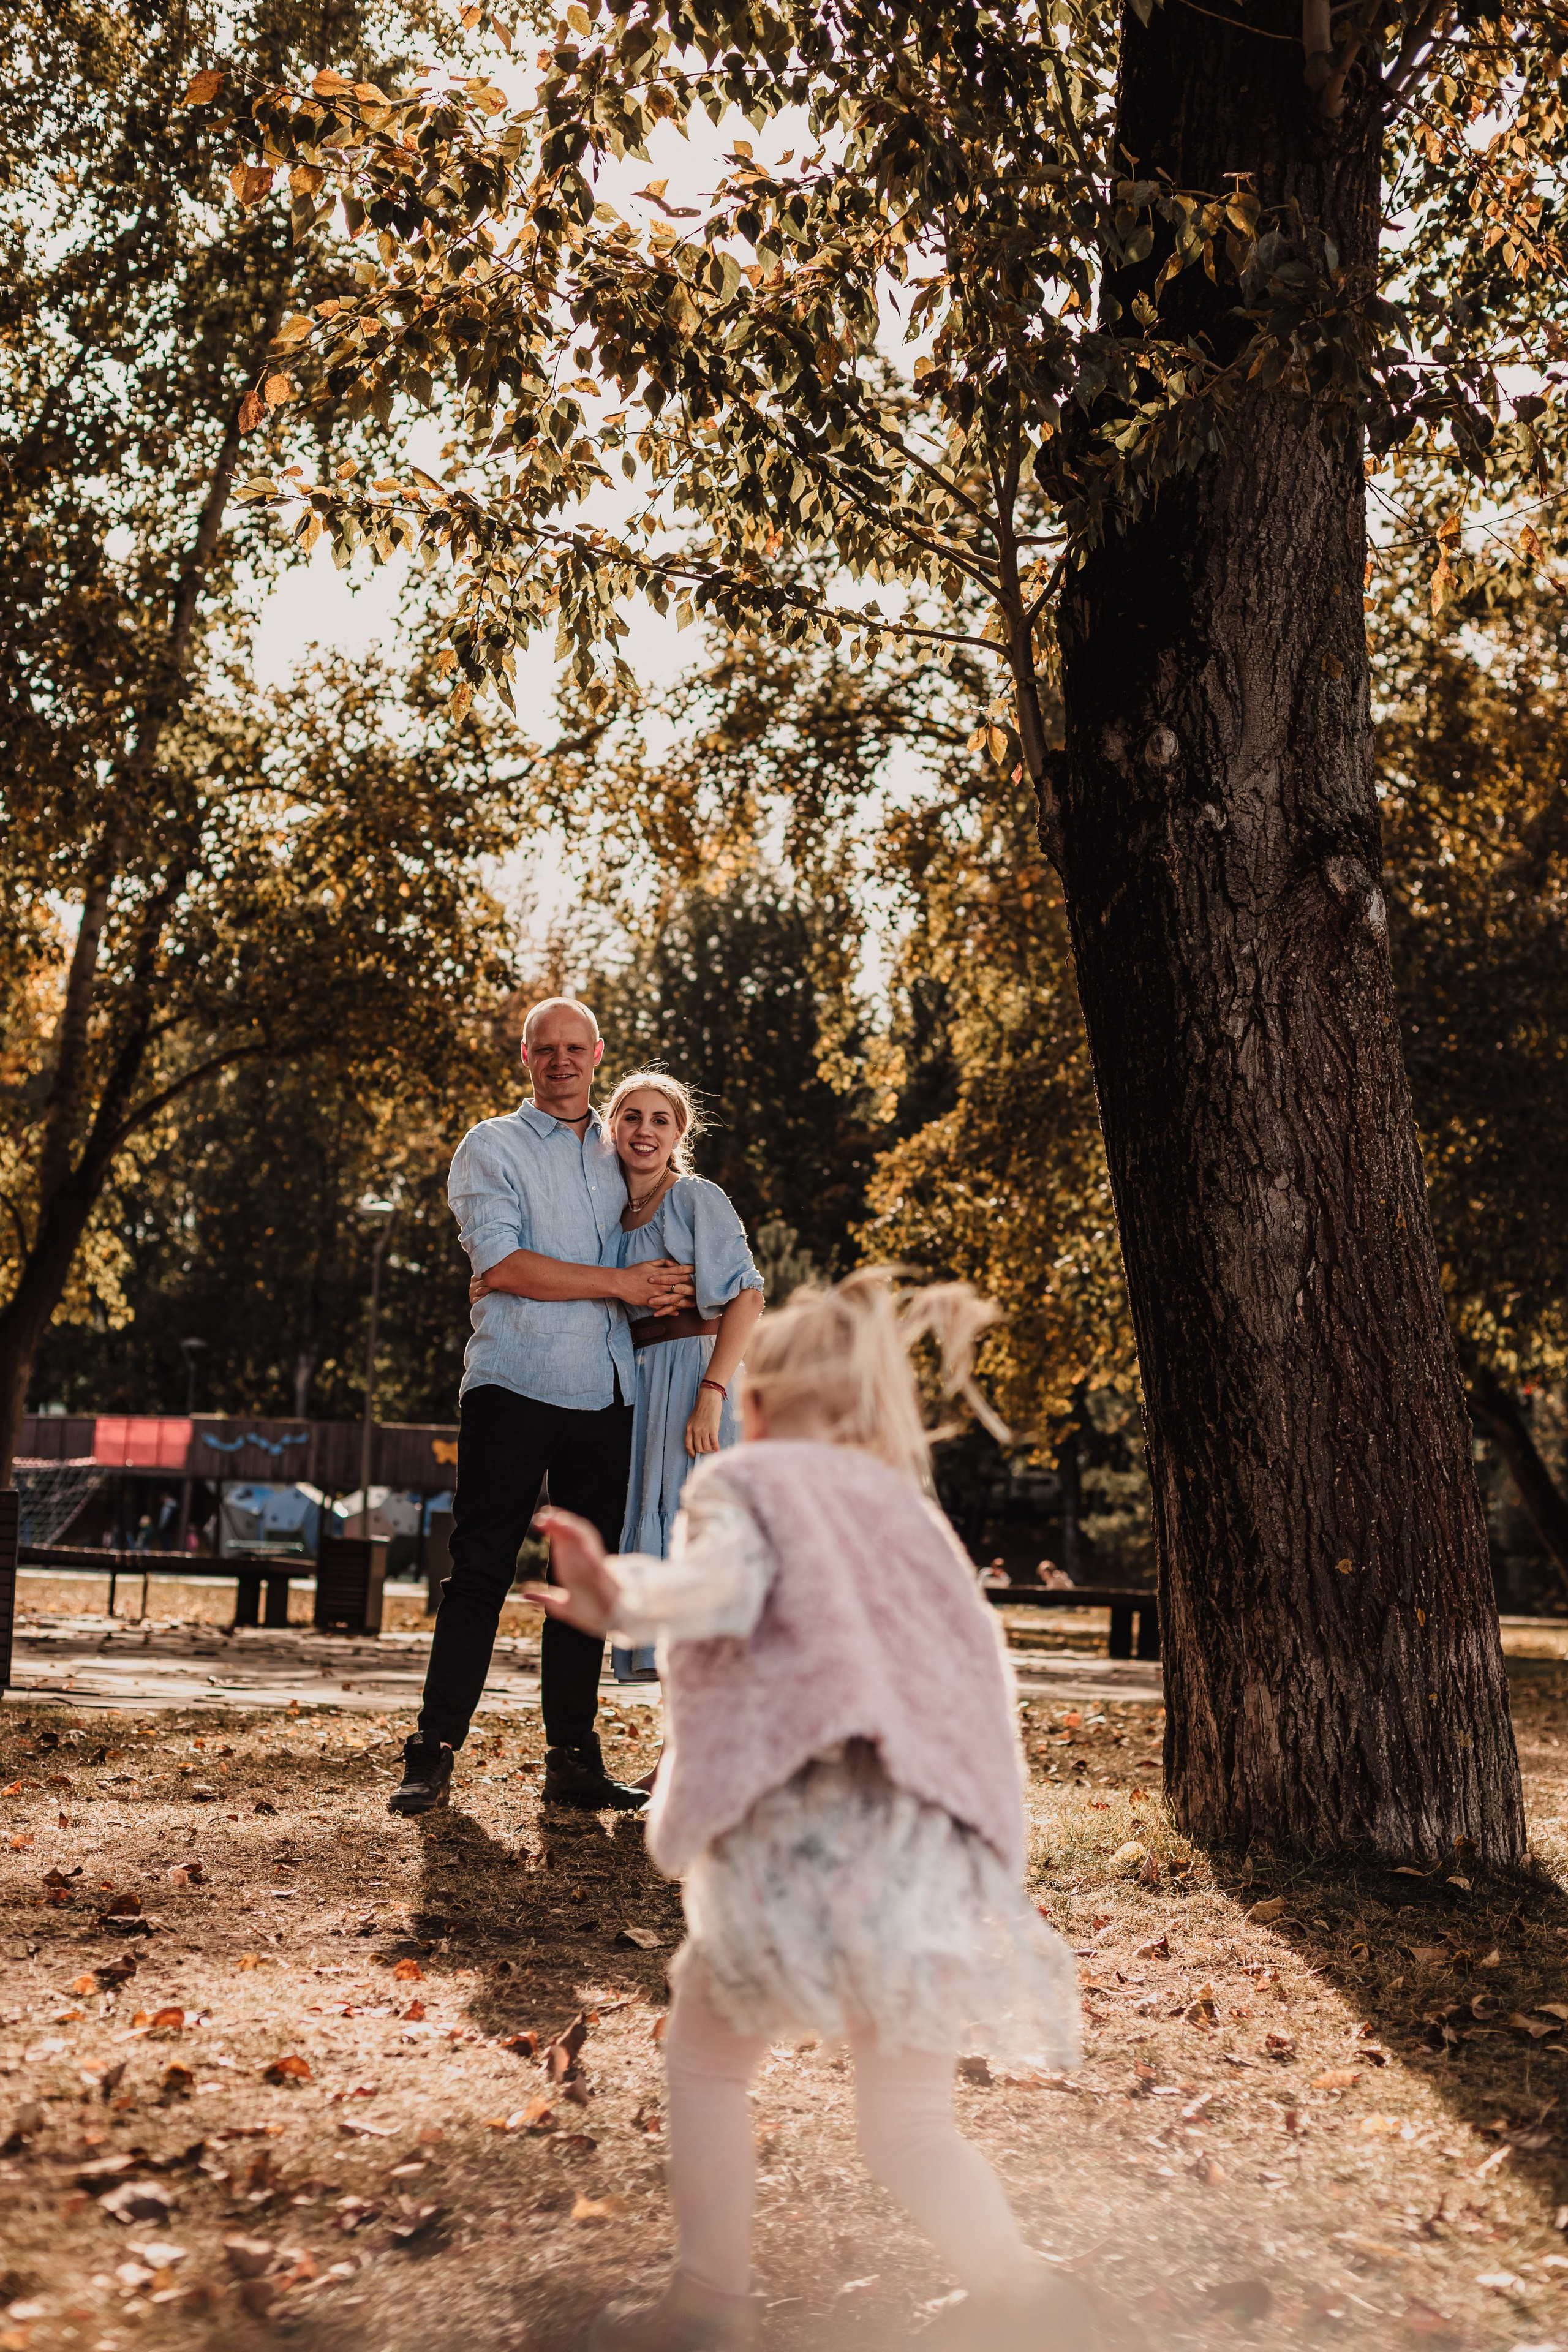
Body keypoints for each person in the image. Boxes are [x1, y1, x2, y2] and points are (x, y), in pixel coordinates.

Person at [530, 1270, 1086, 2352]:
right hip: (924, 1867)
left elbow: (726, 1587)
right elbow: (974, 1686)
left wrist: (623, 1600)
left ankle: (710, 2308)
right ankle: (1025, 2299)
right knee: (912, 2126)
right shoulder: (915, 1525)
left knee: (705, 2063)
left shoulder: (750, 1484)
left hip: (801, 1855)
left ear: (759, 1404)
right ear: (873, 1414)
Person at [388, 997, 697, 1819]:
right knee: (480, 1570)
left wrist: (673, 1289)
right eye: (545, 1049)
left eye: (575, 1049)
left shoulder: (624, 1151)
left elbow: (666, 1252)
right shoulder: (490, 1147)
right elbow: (507, 1264)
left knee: (582, 1584)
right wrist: (616, 1284)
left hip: (608, 1393)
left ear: (597, 1054)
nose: (561, 1061)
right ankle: (432, 1754)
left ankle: (573, 1760)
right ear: (526, 1056)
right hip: (514, 1383)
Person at [603, 1071, 765, 1681]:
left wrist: (711, 1394)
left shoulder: (697, 1199)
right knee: (659, 1548)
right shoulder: (605, 1213)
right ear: (611, 1125)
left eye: (659, 1120)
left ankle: (699, 1755)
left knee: (696, 1548)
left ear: (679, 1133)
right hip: (637, 1386)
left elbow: (747, 1297)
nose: (644, 1131)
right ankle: (679, 1754)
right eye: (631, 1117)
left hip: (697, 1378)